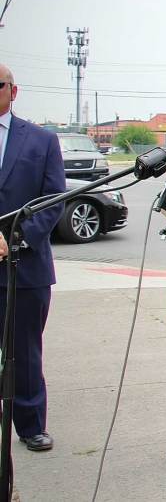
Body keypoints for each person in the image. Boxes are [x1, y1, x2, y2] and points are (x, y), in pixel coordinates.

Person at [0, 63, 65, 452]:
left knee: (24, 352)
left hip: (25, 267)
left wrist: (14, 239)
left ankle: (29, 425)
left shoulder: (41, 141)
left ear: (13, 90)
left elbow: (54, 199)